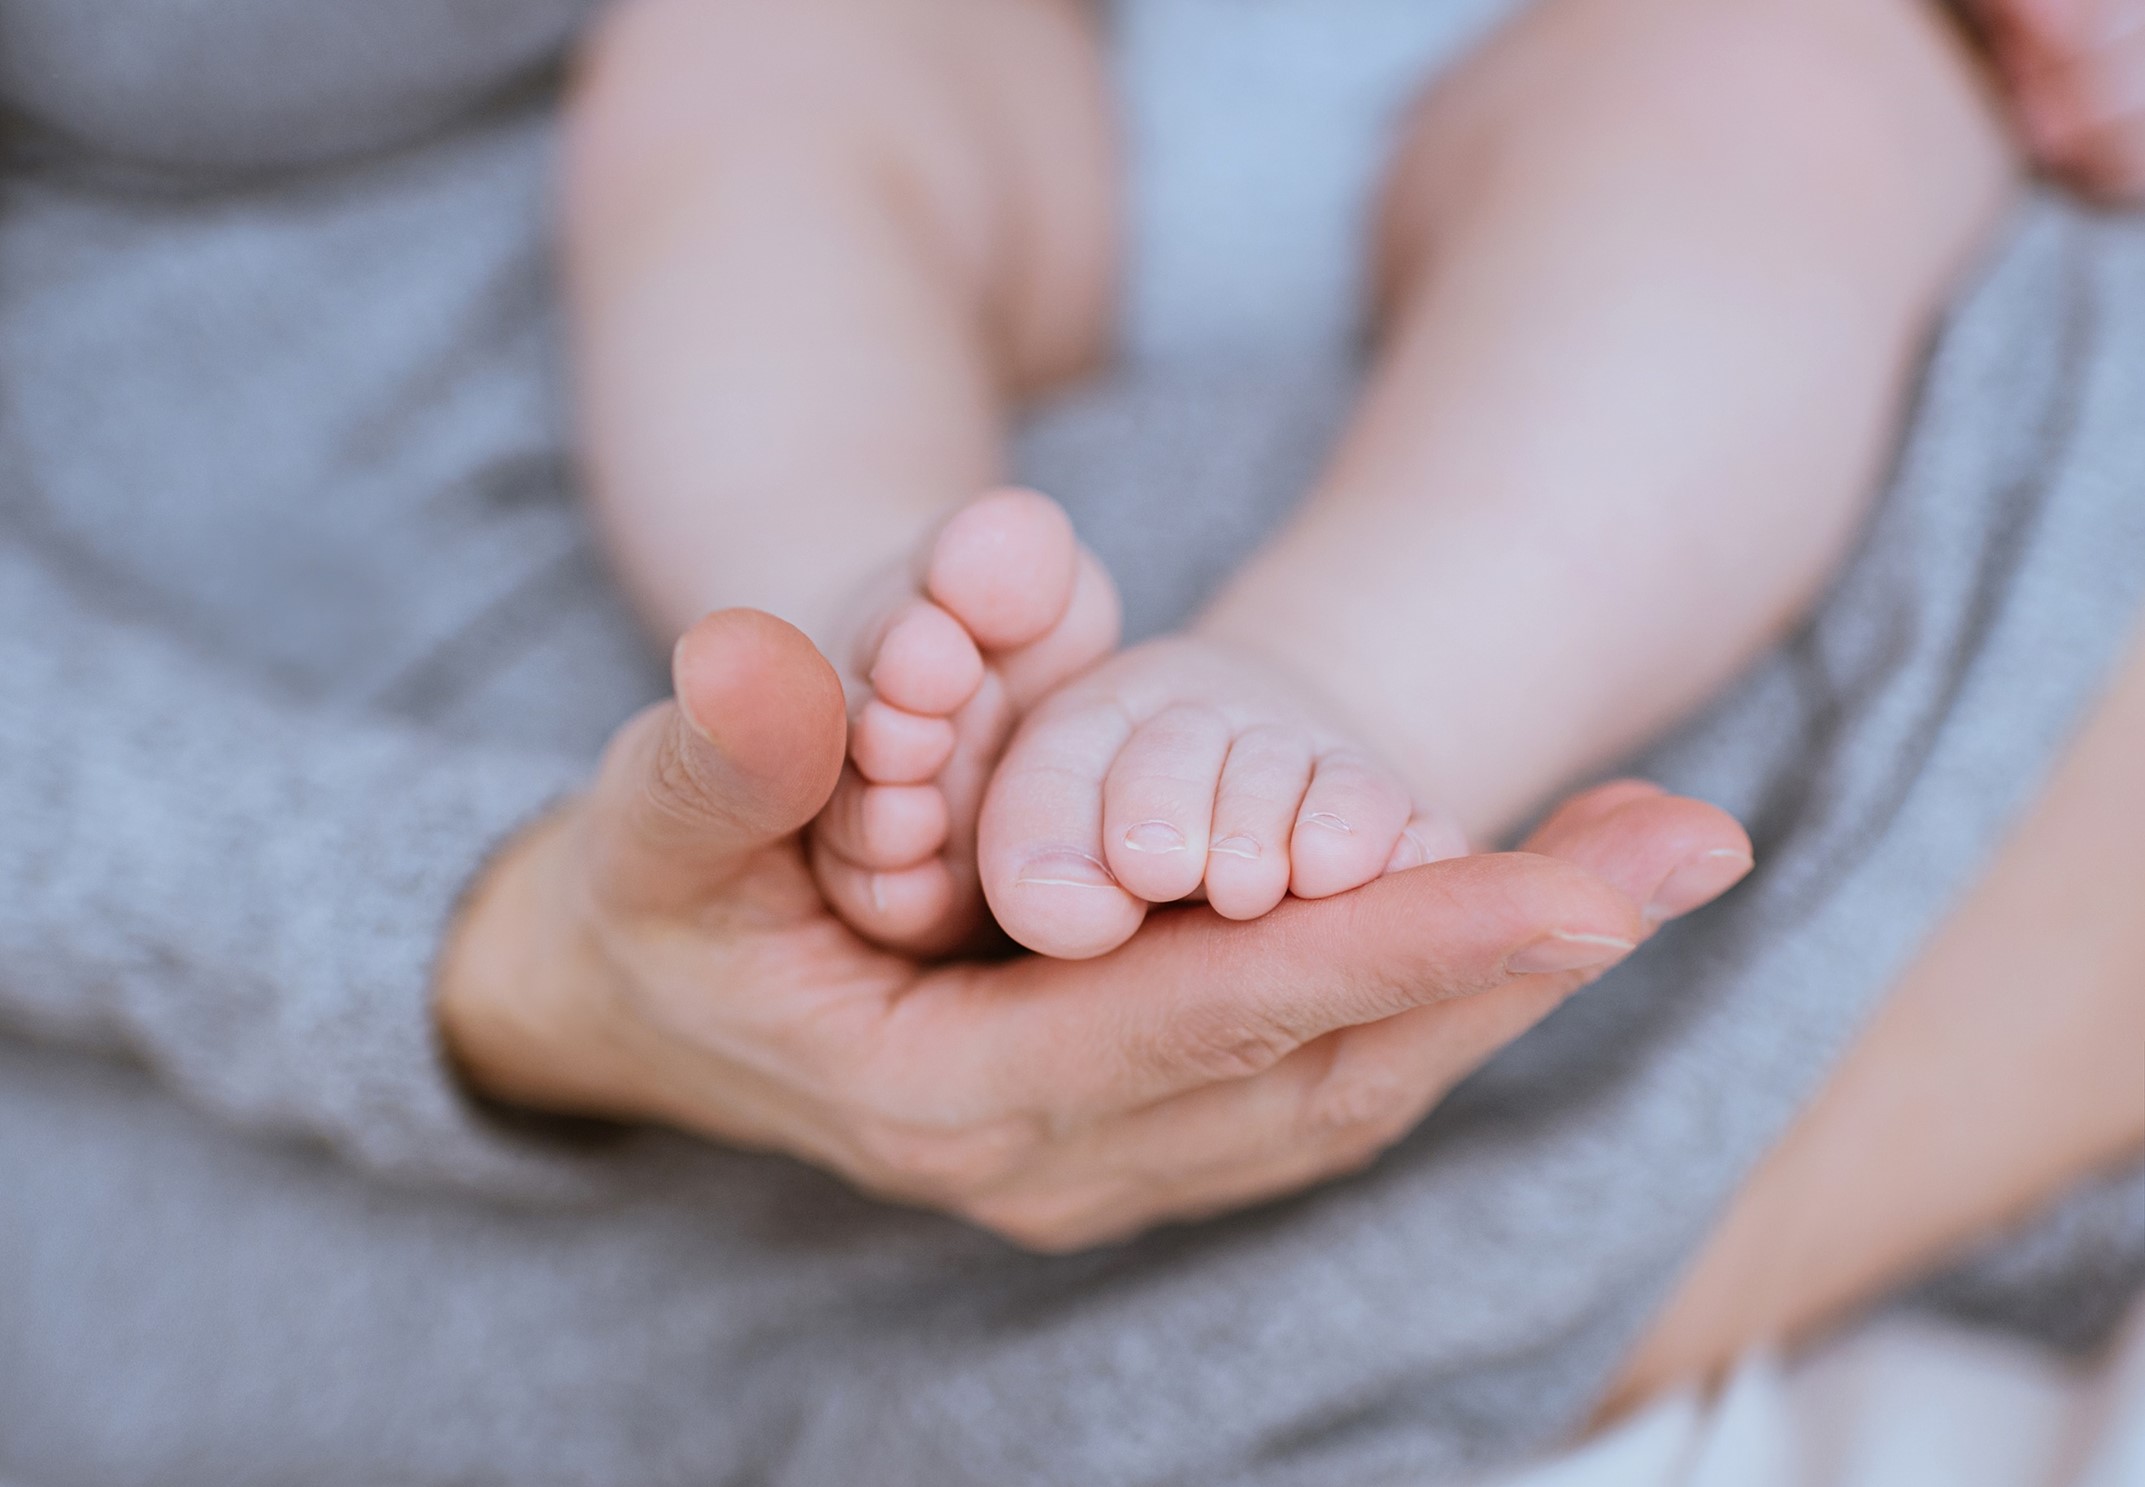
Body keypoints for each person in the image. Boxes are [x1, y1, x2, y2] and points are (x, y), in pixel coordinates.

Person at [0, 0, 2140, 1481]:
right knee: (745, 86)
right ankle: (873, 635)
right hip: (994, 70)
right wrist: (485, 948)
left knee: (1776, 102)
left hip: (1579, 54)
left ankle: (1364, 690)